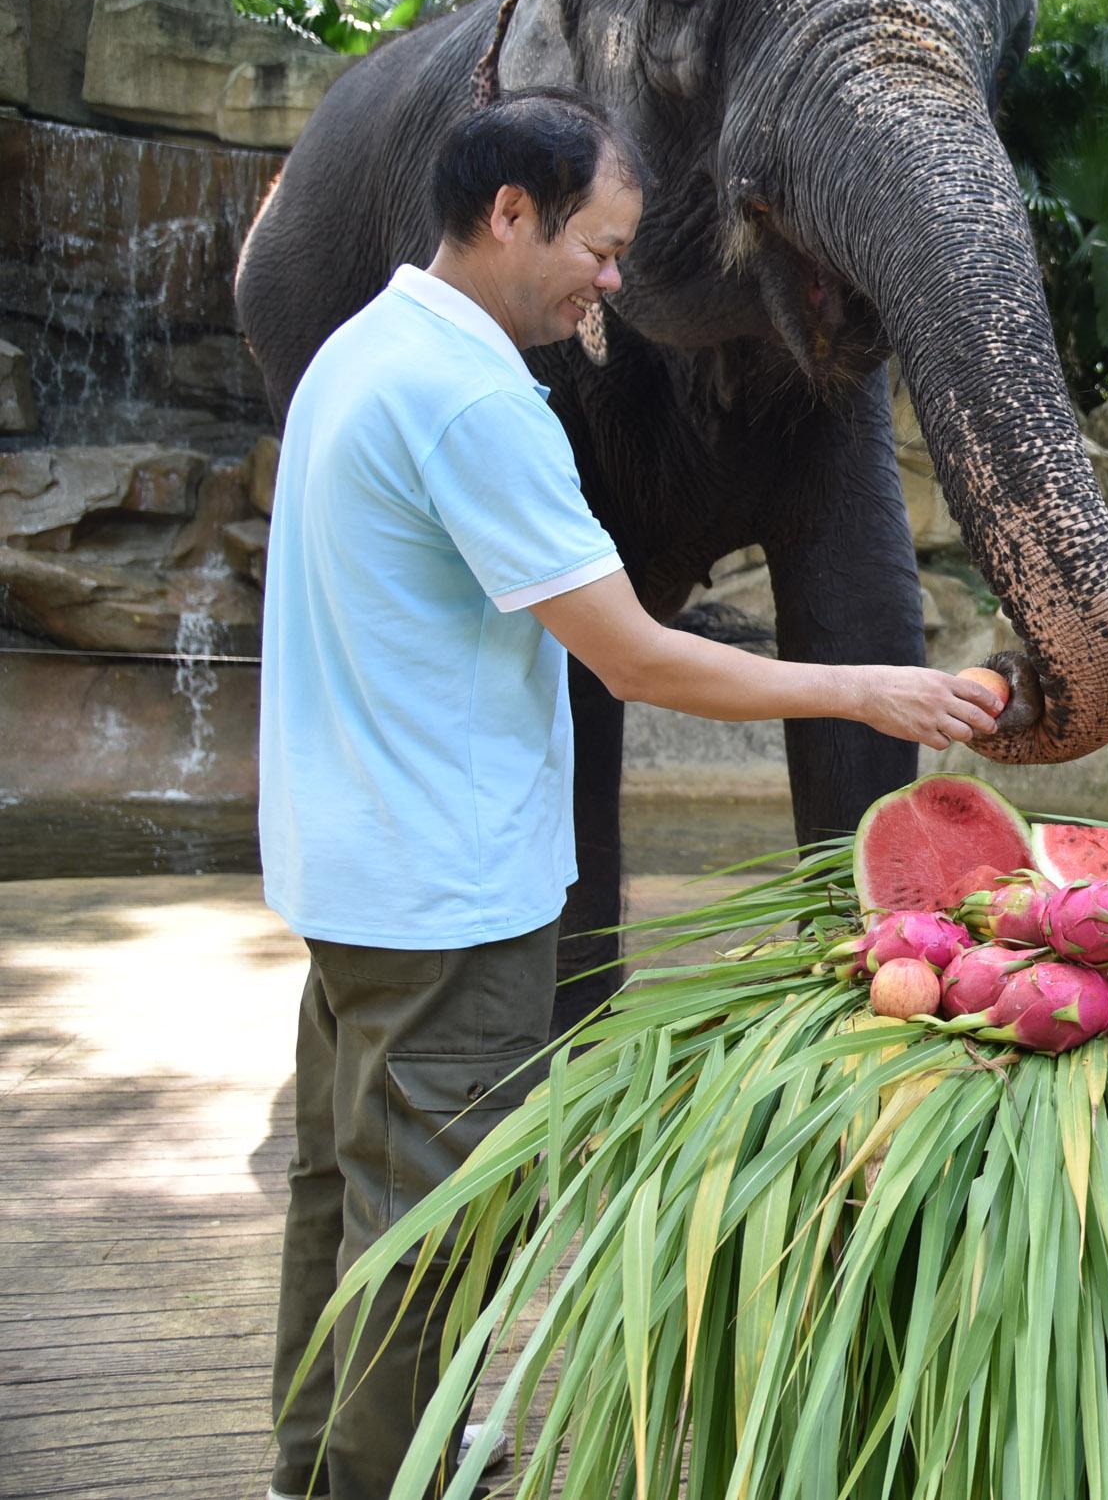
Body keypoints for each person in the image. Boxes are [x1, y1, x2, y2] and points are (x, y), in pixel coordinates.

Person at [258, 88, 1002, 1500]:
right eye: (597, 251)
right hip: (447, 896)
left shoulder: (364, 347)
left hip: (343, 868)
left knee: (339, 1196)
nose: (613, 285)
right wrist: (872, 689)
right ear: (509, 213)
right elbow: (636, 658)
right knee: (431, 1235)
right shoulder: (476, 398)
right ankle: (388, 1480)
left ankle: (318, 1464)